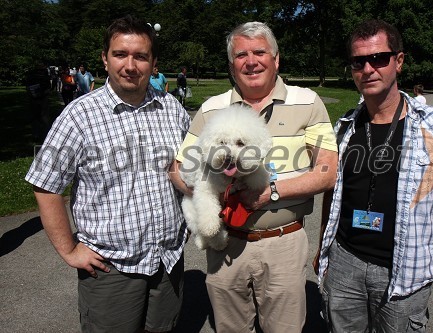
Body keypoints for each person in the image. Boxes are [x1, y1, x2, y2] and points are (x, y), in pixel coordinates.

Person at [25, 15, 191, 333]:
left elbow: (183, 171)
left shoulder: (173, 110)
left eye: (141, 56)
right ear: (105, 59)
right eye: (120, 54)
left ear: (153, 62)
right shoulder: (79, 116)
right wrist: (69, 250)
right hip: (112, 267)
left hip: (168, 260)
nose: (130, 65)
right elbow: (45, 186)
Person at [169, 21, 338, 332]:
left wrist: (271, 192)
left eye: (260, 51)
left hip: (283, 241)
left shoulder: (308, 102)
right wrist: (212, 190)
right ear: (232, 64)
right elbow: (178, 169)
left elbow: (328, 171)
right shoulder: (211, 109)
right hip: (226, 245)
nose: (251, 61)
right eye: (241, 54)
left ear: (276, 58)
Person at [314, 19, 433, 332]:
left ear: (398, 62)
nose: (368, 69)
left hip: (405, 269)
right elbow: (334, 193)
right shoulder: (346, 125)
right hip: (346, 261)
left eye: (379, 58)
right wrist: (323, 246)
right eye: (358, 61)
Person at [25, 61, 51, 142]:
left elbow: (27, 87)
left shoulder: (33, 75)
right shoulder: (40, 76)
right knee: (41, 117)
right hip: (39, 98)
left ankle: (39, 134)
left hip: (38, 98)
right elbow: (48, 88)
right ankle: (42, 134)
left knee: (39, 117)